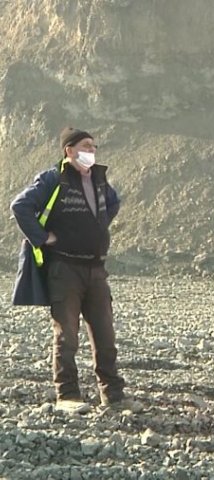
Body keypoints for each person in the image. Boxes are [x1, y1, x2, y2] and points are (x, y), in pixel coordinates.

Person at [10, 127, 134, 415]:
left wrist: (96, 228)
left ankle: (113, 395)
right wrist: (43, 237)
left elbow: (113, 203)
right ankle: (67, 395)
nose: (92, 151)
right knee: (67, 335)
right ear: (69, 150)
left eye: (94, 146)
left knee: (105, 334)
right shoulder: (54, 179)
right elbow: (20, 206)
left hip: (96, 268)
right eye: (86, 146)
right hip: (64, 268)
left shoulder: (99, 179)